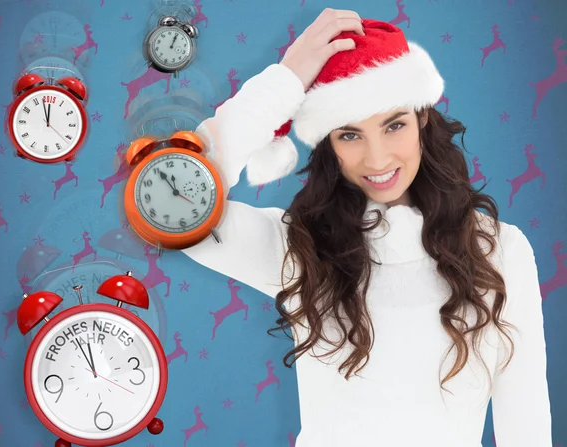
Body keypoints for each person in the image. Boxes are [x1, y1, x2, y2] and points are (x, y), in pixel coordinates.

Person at [181, 8, 552, 447]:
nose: (376, 160)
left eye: (393, 125)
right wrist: (284, 83)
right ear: (327, 146)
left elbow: (525, 425)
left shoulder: (499, 250)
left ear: (422, 119)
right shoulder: (297, 246)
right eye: (349, 135)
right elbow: (169, 204)